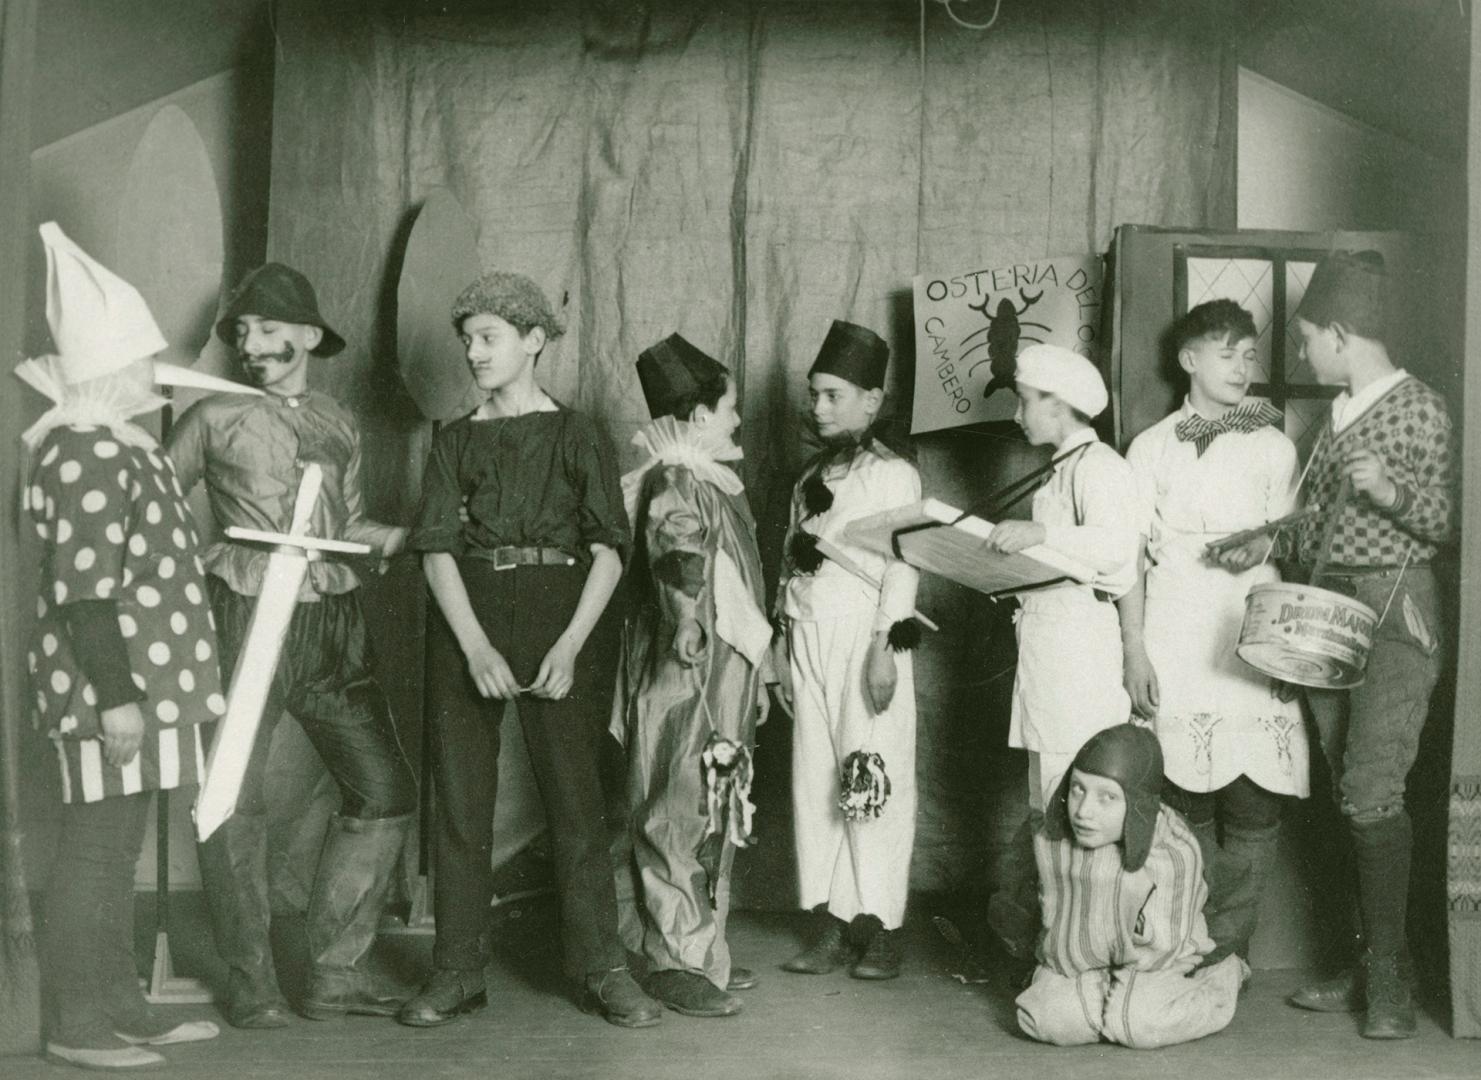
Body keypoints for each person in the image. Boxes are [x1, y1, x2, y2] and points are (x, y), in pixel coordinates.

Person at [398, 271, 660, 1029]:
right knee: (458, 801)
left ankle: (602, 969)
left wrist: (572, 644)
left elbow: (610, 550)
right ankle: (455, 971)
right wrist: (473, 644)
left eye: (489, 338)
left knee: (576, 801)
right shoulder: (454, 440)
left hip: (562, 613)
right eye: (467, 341)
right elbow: (436, 548)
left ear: (534, 341)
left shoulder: (579, 435)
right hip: (467, 616)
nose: (474, 353)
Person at [167, 264, 417, 1028]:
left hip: (331, 620)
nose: (254, 346)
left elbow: (347, 527)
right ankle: (251, 982)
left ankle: (334, 972)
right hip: (245, 611)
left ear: (309, 337)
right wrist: (188, 574)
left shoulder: (341, 421)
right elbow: (150, 508)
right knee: (230, 796)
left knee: (384, 789)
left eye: (271, 330)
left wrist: (418, 537)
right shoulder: (211, 417)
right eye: (242, 334)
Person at [18, 223, 233, 1068]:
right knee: (96, 849)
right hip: (113, 692)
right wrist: (116, 697)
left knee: (117, 853)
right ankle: (76, 1024)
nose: (152, 377)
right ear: (108, 372)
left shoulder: (118, 446)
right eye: (140, 363)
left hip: (147, 692)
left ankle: (119, 1003)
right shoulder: (81, 450)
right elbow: (83, 591)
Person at [1272, 252, 1454, 1039]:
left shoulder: (1423, 409)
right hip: (1323, 610)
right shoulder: (1332, 416)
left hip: (1393, 611)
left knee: (1370, 793)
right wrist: (1264, 541)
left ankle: (1390, 982)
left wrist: (1392, 492)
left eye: (1307, 338)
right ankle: (1362, 960)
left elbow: (1452, 524)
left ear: (1341, 334)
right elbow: (1313, 520)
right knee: (1344, 795)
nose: (1300, 352)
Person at [1121, 300, 1308, 969]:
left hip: (1246, 629)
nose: (1241, 365)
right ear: (1188, 360)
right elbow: (1128, 562)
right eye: (1224, 352)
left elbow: (1291, 540)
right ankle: (1185, 943)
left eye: (1248, 353)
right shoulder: (1148, 448)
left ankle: (1231, 951)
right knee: (1181, 789)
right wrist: (1134, 648)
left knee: (1251, 794)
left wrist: (1259, 546)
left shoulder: (1272, 444)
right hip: (1174, 628)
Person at [612, 334, 772, 1018]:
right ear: (699, 415)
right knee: (677, 800)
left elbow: (736, 586)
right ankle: (671, 956)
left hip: (722, 667)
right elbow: (678, 555)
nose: (737, 420)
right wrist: (682, 620)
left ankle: (698, 946)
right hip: (685, 667)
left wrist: (756, 673)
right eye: (730, 408)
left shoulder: (710, 477)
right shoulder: (676, 477)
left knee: (711, 797)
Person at [774, 320, 922, 981]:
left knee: (869, 780)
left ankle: (880, 925)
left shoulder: (894, 477)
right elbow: (788, 566)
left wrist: (885, 647)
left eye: (834, 395)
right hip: (807, 641)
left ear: (872, 399)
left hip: (863, 641)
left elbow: (904, 565)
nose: (819, 407)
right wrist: (781, 644)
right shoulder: (807, 475)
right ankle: (831, 923)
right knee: (817, 783)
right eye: (814, 395)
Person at [1016, 724, 1245, 1049]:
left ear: (1138, 803)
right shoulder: (1051, 841)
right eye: (1078, 789)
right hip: (1078, 963)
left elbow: (1170, 945)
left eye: (1107, 797)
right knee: (1044, 1019)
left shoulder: (1173, 852)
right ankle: (1104, 1005)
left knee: (1141, 1024)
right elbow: (1038, 916)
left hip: (1155, 964)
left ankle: (1223, 977)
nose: (1083, 812)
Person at [986, 344, 1139, 812]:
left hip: (1078, 657)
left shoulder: (1101, 466)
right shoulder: (1058, 473)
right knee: (1048, 791)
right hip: (1047, 654)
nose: (1017, 415)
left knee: (1075, 791)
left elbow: (1115, 550)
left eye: (1024, 400)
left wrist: (1039, 534)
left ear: (1055, 403)